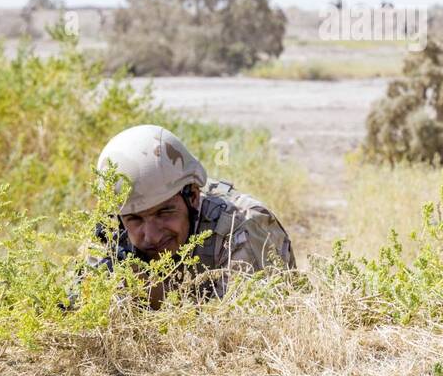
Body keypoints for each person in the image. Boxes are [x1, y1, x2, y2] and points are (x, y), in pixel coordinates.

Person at [88, 125, 295, 305]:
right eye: (135, 219)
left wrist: (152, 294)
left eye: (164, 212)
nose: (152, 236)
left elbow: (247, 332)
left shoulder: (242, 228)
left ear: (193, 196)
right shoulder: (113, 235)